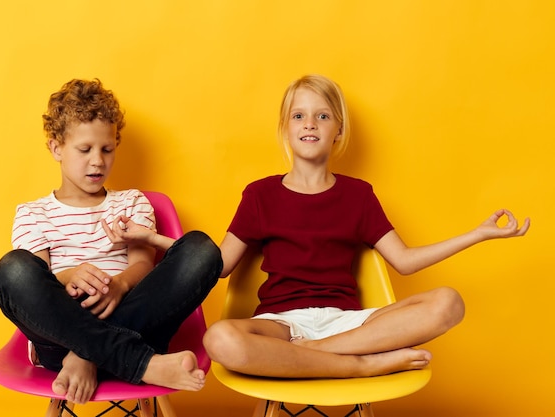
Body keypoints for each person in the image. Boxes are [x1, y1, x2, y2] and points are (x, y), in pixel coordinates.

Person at [104, 74, 530, 380]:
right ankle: (360, 366)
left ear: (337, 129)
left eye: (323, 116)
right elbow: (217, 265)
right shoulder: (260, 194)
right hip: (281, 325)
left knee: (448, 302)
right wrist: (151, 239)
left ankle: (317, 355)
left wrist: (478, 234)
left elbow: (405, 261)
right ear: (286, 130)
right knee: (220, 340)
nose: (310, 124)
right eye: (300, 116)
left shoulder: (359, 195)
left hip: (351, 323)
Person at [0, 79, 222, 404]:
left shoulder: (131, 202)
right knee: (11, 270)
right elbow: (38, 284)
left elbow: (143, 264)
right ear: (56, 148)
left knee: (202, 250)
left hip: (137, 325)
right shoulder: (33, 214)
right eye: (84, 150)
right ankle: (138, 363)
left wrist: (119, 286)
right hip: (61, 340)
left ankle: (87, 356)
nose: (97, 161)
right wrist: (69, 276)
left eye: (107, 149)